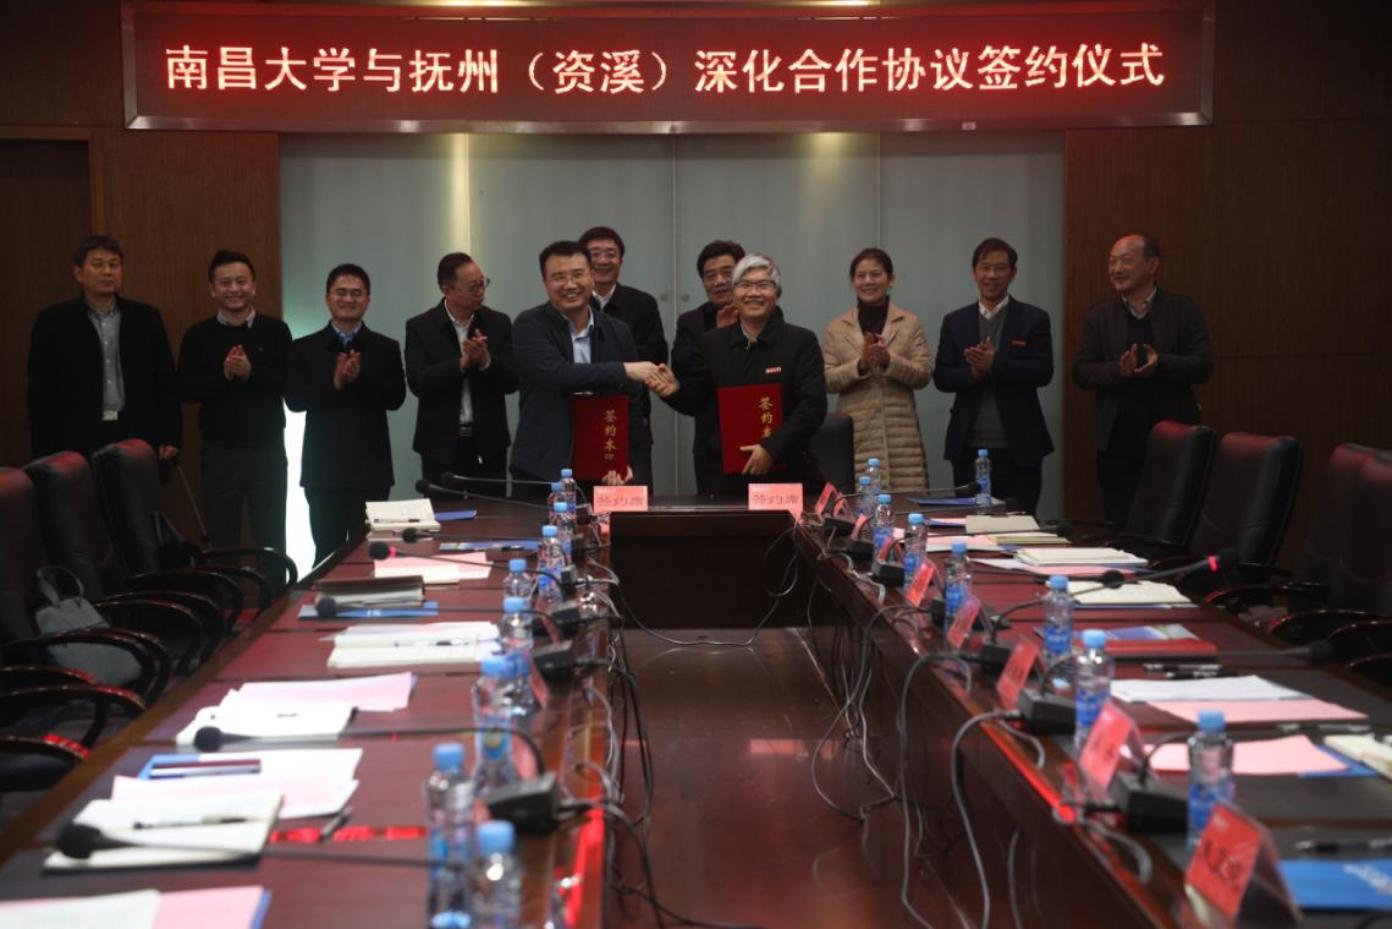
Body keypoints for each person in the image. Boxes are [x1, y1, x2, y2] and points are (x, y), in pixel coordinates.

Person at [649, 254, 827, 496]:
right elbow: (697, 401)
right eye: (745, 285)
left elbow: (813, 406)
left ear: (777, 293)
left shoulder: (801, 341)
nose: (753, 293)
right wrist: (674, 392)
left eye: (763, 285)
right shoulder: (712, 343)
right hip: (725, 476)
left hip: (786, 470)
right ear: (733, 294)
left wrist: (771, 448)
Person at [1073, 234, 1213, 527]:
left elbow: (1203, 366)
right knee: (1121, 525)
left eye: (1126, 260)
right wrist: (1118, 371)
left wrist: (1162, 364)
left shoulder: (1183, 310)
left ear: (1152, 265)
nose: (1117, 269)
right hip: (1117, 443)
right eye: (1112, 262)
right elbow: (1081, 372)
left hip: (1174, 439)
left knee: (1172, 525)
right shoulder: (1100, 316)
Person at [510, 241, 657, 501]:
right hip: (543, 466)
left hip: (603, 464)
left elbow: (633, 403)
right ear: (545, 283)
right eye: (559, 277)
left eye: (577, 274)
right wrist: (623, 370)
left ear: (591, 276)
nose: (570, 285)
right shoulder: (529, 325)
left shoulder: (618, 331)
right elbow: (558, 374)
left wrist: (624, 459)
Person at [284, 263, 406, 565]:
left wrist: (359, 379)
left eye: (356, 293)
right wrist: (335, 383)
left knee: (370, 554)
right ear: (328, 298)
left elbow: (396, 399)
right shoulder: (304, 348)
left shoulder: (385, 347)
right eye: (341, 292)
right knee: (327, 553)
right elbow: (295, 401)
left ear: (368, 300)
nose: (348, 299)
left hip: (371, 469)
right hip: (322, 471)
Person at [28, 235, 180, 463]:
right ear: (78, 273)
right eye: (98, 265)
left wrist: (170, 435)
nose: (107, 271)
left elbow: (165, 380)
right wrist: (45, 451)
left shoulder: (146, 318)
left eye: (114, 265)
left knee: (135, 488)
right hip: (77, 436)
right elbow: (41, 392)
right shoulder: (53, 322)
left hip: (136, 430)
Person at [177, 250, 292, 551]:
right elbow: (186, 390)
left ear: (254, 286)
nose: (234, 289)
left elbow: (289, 386)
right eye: (225, 283)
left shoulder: (276, 331)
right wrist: (224, 375)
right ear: (212, 290)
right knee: (223, 539)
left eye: (241, 281)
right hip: (220, 453)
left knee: (272, 538)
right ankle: (227, 585)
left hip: (267, 450)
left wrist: (251, 372)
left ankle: (275, 585)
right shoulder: (197, 335)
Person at [933, 238, 1054, 516]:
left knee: (1018, 526)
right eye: (985, 267)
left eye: (1000, 268)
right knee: (971, 526)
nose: (992, 275)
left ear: (1013, 273)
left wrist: (995, 363)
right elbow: (942, 377)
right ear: (973, 272)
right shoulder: (955, 321)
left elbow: (1043, 372)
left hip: (1020, 446)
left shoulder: (1033, 318)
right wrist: (974, 372)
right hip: (968, 447)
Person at [405, 253, 518, 495]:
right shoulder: (421, 327)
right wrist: (462, 363)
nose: (481, 292)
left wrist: (486, 360)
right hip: (440, 447)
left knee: (492, 513)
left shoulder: (498, 323)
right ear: (447, 289)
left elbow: (513, 381)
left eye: (483, 283)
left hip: (489, 444)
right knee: (445, 515)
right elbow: (419, 382)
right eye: (473, 287)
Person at [821, 248, 933, 491]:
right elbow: (826, 380)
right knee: (859, 506)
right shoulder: (836, 328)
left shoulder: (910, 323)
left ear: (890, 279)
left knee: (905, 506)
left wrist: (889, 360)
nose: (868, 281)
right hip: (856, 434)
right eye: (861, 275)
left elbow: (924, 374)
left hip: (902, 437)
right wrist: (860, 365)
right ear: (853, 282)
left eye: (876, 274)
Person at [580, 226, 666, 488]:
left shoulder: (642, 303)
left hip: (630, 414)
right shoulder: (573, 304)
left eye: (610, 254)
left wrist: (603, 363)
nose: (603, 260)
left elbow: (656, 357)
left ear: (621, 261)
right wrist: (623, 364)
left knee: (632, 496)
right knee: (581, 496)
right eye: (595, 254)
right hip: (581, 415)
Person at [671, 240, 752, 495]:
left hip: (765, 439)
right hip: (712, 442)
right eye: (709, 276)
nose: (719, 281)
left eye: (727, 272)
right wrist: (718, 339)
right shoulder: (691, 323)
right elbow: (690, 383)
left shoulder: (765, 317)